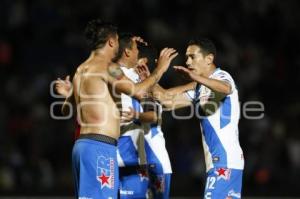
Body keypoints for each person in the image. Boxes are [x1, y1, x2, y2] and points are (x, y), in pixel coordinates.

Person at [55, 19, 178, 199]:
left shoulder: (81, 70)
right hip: (100, 147)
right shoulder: (108, 67)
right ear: (111, 41)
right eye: (118, 40)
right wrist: (159, 70)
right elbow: (137, 91)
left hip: (81, 147)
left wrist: (69, 94)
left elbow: (66, 110)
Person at [153, 38, 244, 199]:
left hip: (226, 160)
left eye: (192, 57)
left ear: (209, 59)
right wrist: (152, 75)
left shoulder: (222, 76)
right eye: (187, 57)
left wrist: (194, 78)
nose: (187, 61)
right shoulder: (200, 88)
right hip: (217, 162)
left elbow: (225, 87)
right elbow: (167, 101)